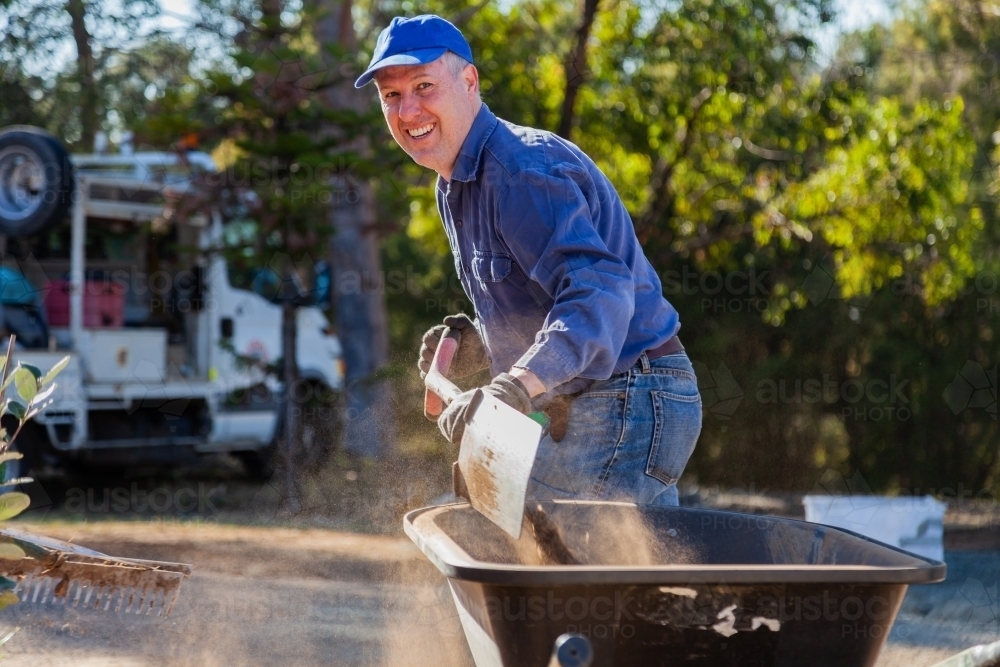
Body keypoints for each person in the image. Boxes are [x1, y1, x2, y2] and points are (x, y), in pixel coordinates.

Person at [356, 15, 701, 506]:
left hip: (631, 392)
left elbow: (598, 293)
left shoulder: (519, 169)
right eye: (391, 96)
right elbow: (540, 297)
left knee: (542, 551)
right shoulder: (454, 184)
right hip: (601, 396)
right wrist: (481, 341)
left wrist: (514, 387)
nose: (408, 109)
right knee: (588, 557)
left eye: (424, 86)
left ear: (469, 82)